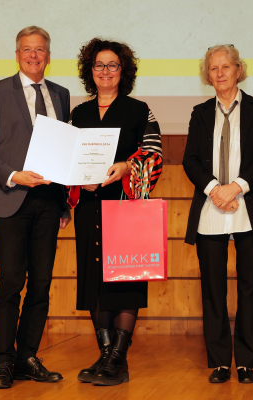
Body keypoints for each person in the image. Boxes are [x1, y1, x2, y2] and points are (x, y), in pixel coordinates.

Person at [0, 26, 71, 389]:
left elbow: (63, 151)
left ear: (48, 55)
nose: (34, 55)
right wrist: (14, 175)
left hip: (48, 204)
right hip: (12, 199)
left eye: (40, 50)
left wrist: (63, 204)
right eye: (27, 50)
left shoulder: (61, 94)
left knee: (41, 285)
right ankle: (4, 361)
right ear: (17, 55)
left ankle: (28, 356)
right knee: (11, 283)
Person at [182, 45, 253, 384]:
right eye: (214, 68)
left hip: (248, 206)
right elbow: (190, 161)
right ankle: (221, 361)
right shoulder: (199, 112)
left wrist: (235, 187)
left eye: (227, 66)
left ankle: (247, 361)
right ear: (207, 75)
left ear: (239, 70)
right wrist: (215, 189)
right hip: (211, 207)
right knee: (213, 288)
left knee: (251, 286)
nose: (221, 73)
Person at [67, 38, 162, 386]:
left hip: (126, 207)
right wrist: (78, 181)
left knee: (124, 280)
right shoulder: (79, 114)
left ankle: (118, 359)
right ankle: (105, 356)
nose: (105, 72)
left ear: (124, 71)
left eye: (112, 65)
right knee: (94, 282)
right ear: (90, 71)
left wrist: (125, 167)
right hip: (90, 208)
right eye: (99, 65)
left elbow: (154, 154)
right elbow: (69, 162)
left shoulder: (139, 110)